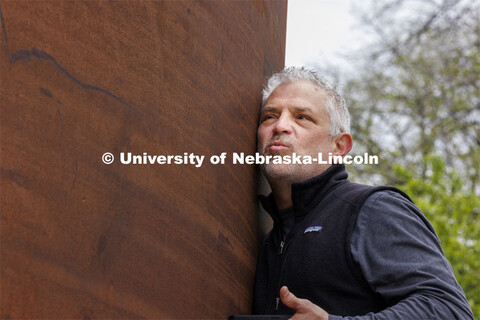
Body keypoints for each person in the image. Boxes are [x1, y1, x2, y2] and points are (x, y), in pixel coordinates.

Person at [252, 67, 474, 319]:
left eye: (302, 117)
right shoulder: (269, 238)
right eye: (269, 116)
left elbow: (451, 312)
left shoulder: (373, 209)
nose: (280, 126)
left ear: (338, 146)